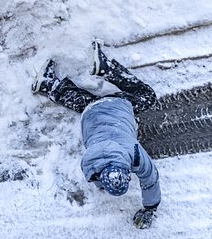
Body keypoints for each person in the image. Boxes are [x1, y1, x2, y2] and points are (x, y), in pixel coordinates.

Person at [31, 41, 161, 229]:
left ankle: (106, 69)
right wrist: (148, 208)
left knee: (147, 97)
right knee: (103, 103)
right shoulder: (90, 165)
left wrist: (151, 208)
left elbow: (151, 179)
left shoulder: (134, 153)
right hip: (90, 118)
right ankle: (49, 85)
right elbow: (145, 181)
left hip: (116, 106)